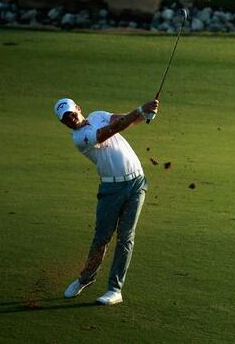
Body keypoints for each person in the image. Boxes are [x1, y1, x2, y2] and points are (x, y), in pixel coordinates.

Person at [54, 97, 158, 306]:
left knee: (125, 237)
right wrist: (140, 109)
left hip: (137, 184)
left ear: (78, 108)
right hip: (111, 189)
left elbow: (124, 121)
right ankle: (86, 278)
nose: (71, 119)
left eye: (71, 113)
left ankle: (114, 289)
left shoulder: (98, 115)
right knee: (101, 238)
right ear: (63, 123)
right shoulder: (80, 137)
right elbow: (110, 130)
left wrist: (146, 114)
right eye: (66, 119)